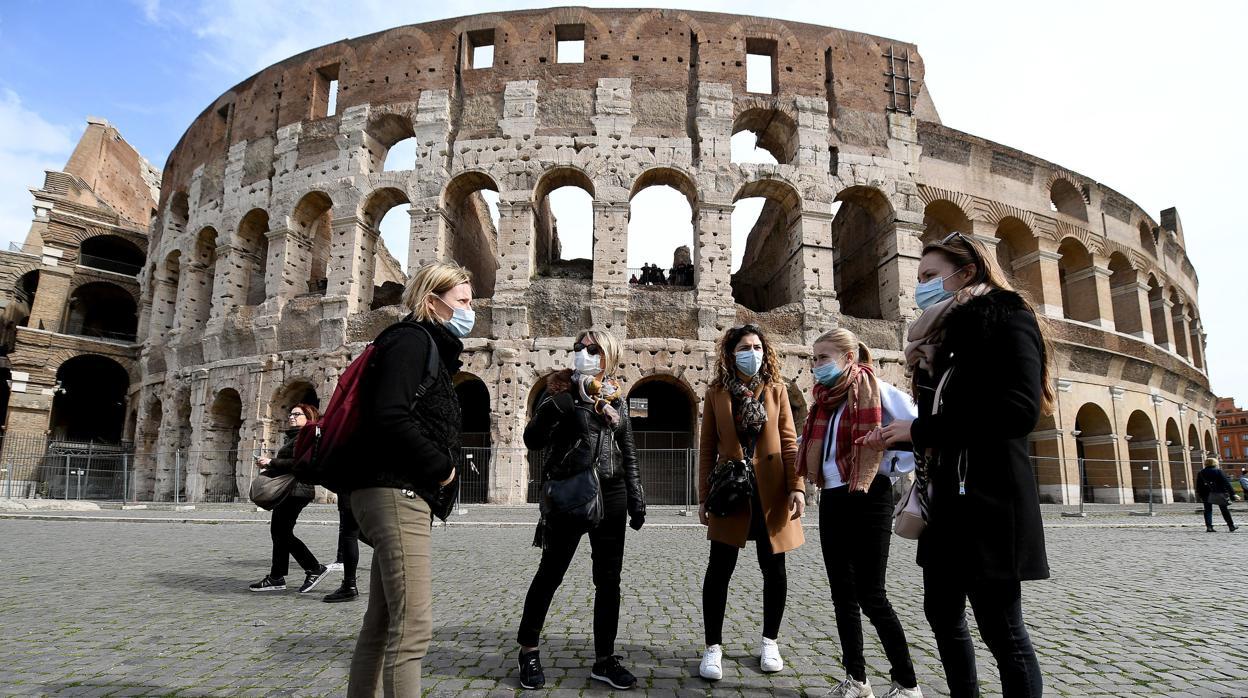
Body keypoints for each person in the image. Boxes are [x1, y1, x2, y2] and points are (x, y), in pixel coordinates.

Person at [867, 232, 1051, 697]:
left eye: (930, 276)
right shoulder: (942, 341)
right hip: (947, 498)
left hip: (991, 498)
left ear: (965, 272)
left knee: (1003, 630)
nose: (920, 287)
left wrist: (920, 432)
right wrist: (904, 432)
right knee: (942, 614)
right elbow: (936, 424)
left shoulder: (1009, 319)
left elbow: (1019, 410)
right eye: (920, 277)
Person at [344, 262, 468, 697]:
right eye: (463, 302)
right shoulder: (412, 342)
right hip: (398, 492)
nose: (470, 311)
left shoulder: (419, 344)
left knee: (381, 621)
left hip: (393, 490)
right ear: (432, 301)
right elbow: (390, 415)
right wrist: (442, 467)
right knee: (413, 628)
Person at [516, 327, 646, 691]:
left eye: (590, 348)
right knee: (551, 573)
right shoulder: (560, 392)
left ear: (608, 357)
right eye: (578, 347)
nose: (581, 352)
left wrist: (635, 496)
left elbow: (628, 450)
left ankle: (604, 659)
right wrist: (555, 409)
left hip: (613, 491)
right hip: (572, 491)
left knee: (609, 580)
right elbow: (532, 440)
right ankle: (528, 649)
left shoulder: (615, 399)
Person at [799, 328, 922, 698]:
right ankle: (857, 680)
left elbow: (917, 430)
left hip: (870, 495)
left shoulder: (878, 390)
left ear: (848, 358)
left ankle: (907, 683)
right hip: (833, 497)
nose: (816, 365)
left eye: (823, 357)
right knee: (841, 594)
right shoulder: (824, 402)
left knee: (872, 594)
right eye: (813, 358)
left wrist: (890, 460)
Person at [697, 323, 804, 681]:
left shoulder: (776, 390)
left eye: (758, 346)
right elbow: (708, 448)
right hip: (731, 490)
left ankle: (769, 641)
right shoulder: (716, 393)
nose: (753, 353)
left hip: (772, 491)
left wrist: (798, 487)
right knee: (719, 571)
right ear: (731, 353)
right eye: (745, 347)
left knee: (774, 570)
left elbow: (790, 443)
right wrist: (702, 498)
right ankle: (713, 648)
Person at [249, 403, 329, 594]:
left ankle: (314, 568)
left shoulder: (308, 435)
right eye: (291, 413)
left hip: (296, 490)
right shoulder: (295, 436)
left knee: (282, 533)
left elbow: (301, 463)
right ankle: (276, 576)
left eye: (297, 414)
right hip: (291, 489)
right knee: (279, 532)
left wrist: (271, 462)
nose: (292, 417)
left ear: (308, 416)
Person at [323, 493, 364, 602]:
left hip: (352, 493)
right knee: (363, 534)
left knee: (349, 535)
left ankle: (349, 586)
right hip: (372, 494)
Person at [1196, 458, 1237, 532]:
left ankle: (1209, 527)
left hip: (1206, 494)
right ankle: (1231, 526)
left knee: (1208, 510)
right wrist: (1233, 494)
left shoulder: (1201, 472)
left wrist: (1200, 494)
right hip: (1219, 493)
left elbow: (1198, 485)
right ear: (1215, 463)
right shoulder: (1218, 471)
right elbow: (1226, 483)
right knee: (1224, 510)